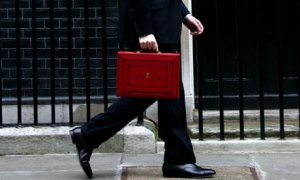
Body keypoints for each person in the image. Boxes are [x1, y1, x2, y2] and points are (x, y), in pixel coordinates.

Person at [70, 0, 216, 178]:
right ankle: (88, 134)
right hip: (153, 28)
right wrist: (144, 30)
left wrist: (183, 14)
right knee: (157, 92)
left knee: (170, 94)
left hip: (161, 23)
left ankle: (178, 159)